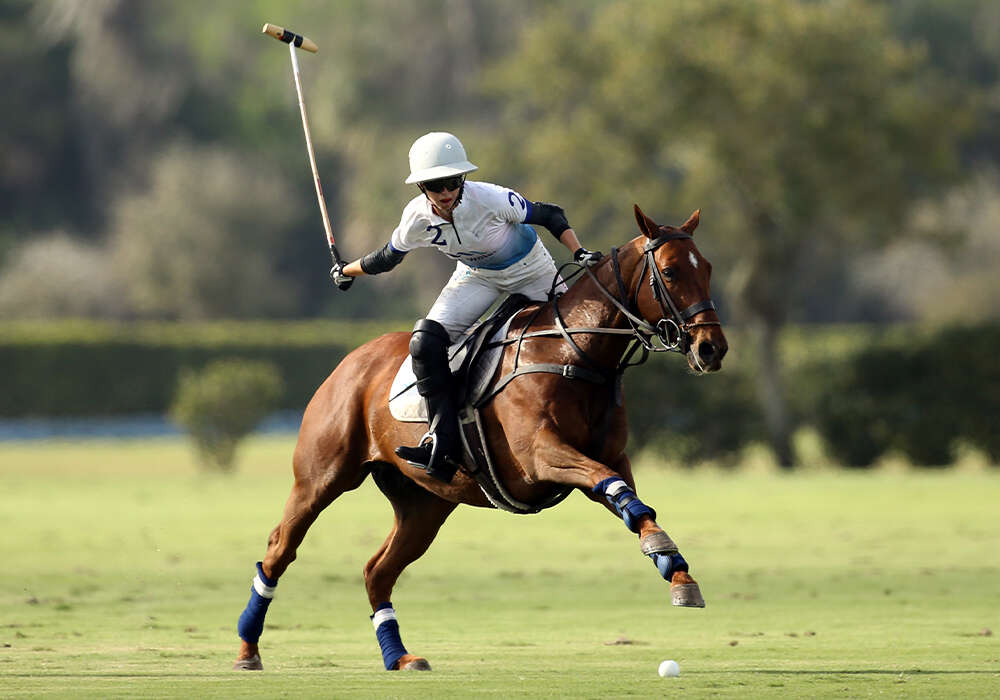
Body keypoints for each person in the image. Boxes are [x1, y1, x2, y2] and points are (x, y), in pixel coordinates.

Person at [331, 132, 601, 483]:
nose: (446, 193)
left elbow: (550, 214)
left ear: (463, 178)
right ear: (421, 188)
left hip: (531, 272)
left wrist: (579, 252)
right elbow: (387, 257)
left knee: (577, 340)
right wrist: (347, 270)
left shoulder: (490, 198)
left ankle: (592, 424)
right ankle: (441, 442)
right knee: (424, 341)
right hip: (476, 277)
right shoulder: (416, 217)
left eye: (453, 182)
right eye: (435, 185)